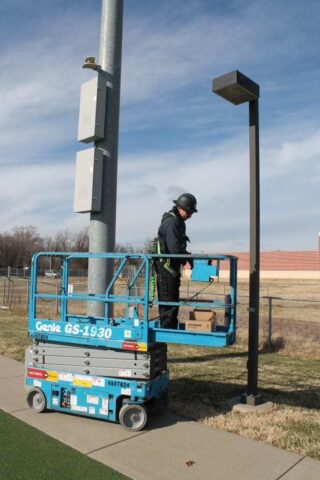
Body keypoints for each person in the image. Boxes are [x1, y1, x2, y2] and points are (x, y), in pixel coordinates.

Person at [154, 193, 197, 329]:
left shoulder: (178, 222)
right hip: (166, 270)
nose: (190, 216)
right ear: (181, 208)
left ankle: (168, 334)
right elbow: (174, 249)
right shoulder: (172, 223)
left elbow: (177, 248)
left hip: (170, 270)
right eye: (189, 212)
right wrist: (186, 257)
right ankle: (166, 335)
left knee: (172, 304)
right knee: (168, 306)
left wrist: (185, 256)